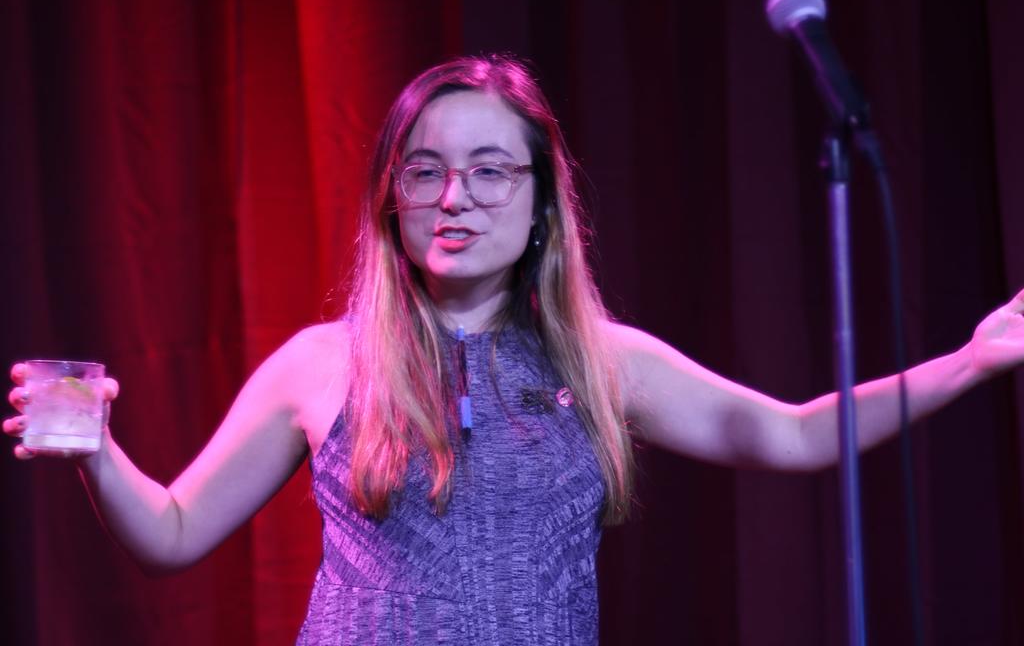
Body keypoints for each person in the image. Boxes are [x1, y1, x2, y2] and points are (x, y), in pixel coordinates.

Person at [6, 55, 1024, 645]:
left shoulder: (599, 359)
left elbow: (799, 437)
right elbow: (174, 533)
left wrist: (972, 360)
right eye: (426, 171)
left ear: (540, 206)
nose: (455, 198)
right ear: (390, 198)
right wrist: (95, 449)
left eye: (491, 171)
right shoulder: (325, 362)